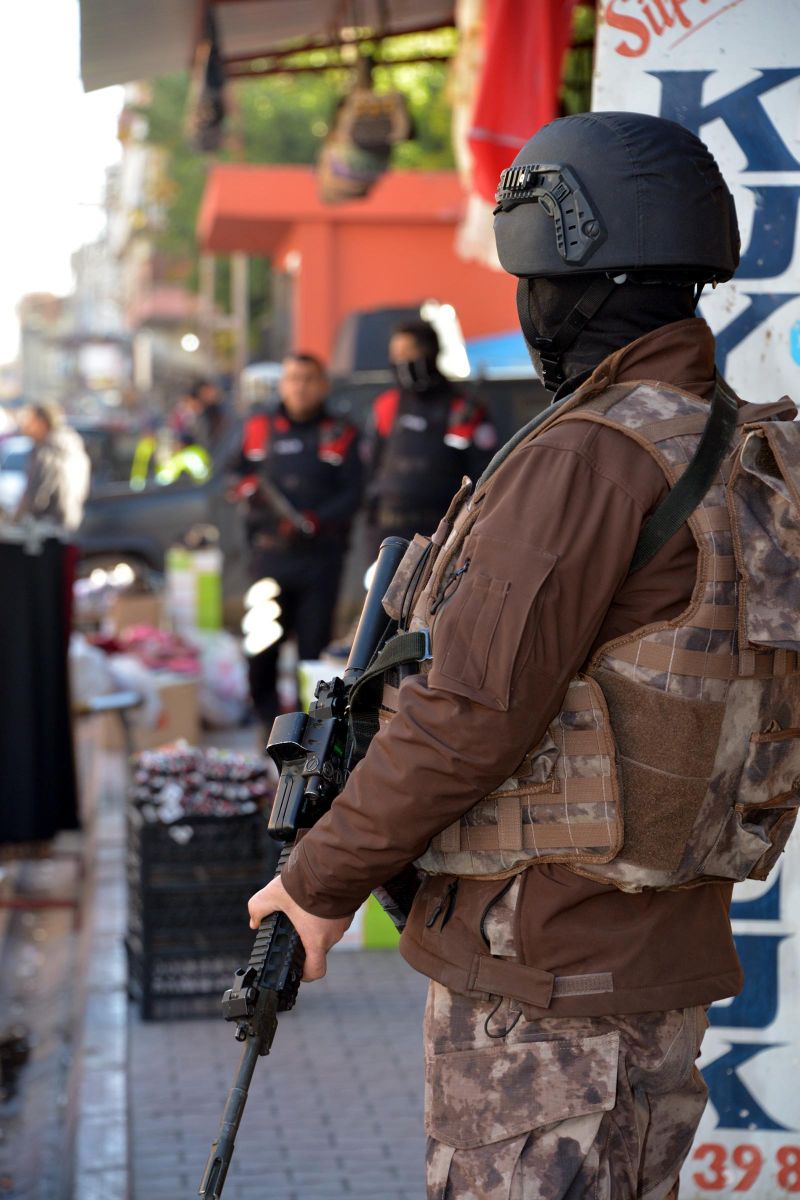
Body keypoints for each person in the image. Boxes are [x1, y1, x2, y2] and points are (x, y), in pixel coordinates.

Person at [247, 113, 798, 1198]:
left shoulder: (589, 458)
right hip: (645, 966)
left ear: (564, 276)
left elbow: (467, 711)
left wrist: (315, 885)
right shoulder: (730, 438)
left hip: (538, 984)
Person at [230, 352, 362, 729]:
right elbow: (234, 473)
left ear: (323, 384)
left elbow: (355, 492)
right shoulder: (258, 427)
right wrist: (247, 491)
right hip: (269, 560)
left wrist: (318, 520)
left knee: (313, 654)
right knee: (261, 649)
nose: (299, 386)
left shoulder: (341, 432)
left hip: (320, 563)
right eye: (292, 378)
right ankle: (265, 720)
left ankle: (312, 730)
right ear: (282, 384)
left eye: (308, 378)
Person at [364, 318, 497, 550]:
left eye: (409, 352)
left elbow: (482, 471)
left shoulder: (463, 408)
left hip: (441, 531)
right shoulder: (387, 405)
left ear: (430, 352)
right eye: (396, 354)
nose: (401, 361)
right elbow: (370, 466)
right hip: (387, 531)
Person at [14, 403, 91, 531]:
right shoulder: (71, 445)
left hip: (49, 526)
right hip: (70, 520)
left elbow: (37, 495)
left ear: (41, 422)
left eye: (28, 420)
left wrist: (16, 520)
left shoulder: (49, 451)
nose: (24, 425)